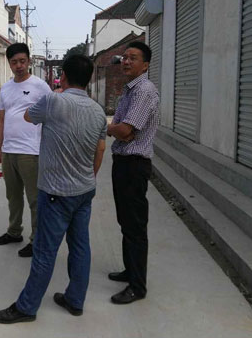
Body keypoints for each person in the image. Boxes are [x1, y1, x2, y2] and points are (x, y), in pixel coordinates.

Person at [0, 54, 107, 323]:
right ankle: (75, 300)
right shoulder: (98, 111)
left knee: (44, 251)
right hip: (84, 191)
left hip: (56, 192)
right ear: (89, 79)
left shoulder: (53, 101)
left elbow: (28, 116)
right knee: (80, 247)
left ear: (62, 76)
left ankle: (26, 307)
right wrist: (89, 177)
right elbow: (100, 149)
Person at [106, 41, 159, 305]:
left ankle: (137, 286)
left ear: (145, 65)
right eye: (125, 57)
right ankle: (130, 270)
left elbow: (125, 130)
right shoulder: (129, 91)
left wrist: (112, 128)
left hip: (134, 164)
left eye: (133, 58)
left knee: (135, 225)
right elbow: (120, 128)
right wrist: (117, 129)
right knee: (126, 221)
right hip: (123, 162)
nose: (126, 62)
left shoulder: (144, 91)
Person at [0, 42, 51, 258]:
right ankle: (14, 231)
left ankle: (37, 240)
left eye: (22, 61)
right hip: (9, 151)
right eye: (14, 62)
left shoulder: (40, 86)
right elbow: (1, 120)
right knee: (13, 196)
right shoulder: (6, 88)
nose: (19, 66)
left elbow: (51, 116)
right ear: (9, 63)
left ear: (29, 61)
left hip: (31, 152)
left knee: (35, 199)